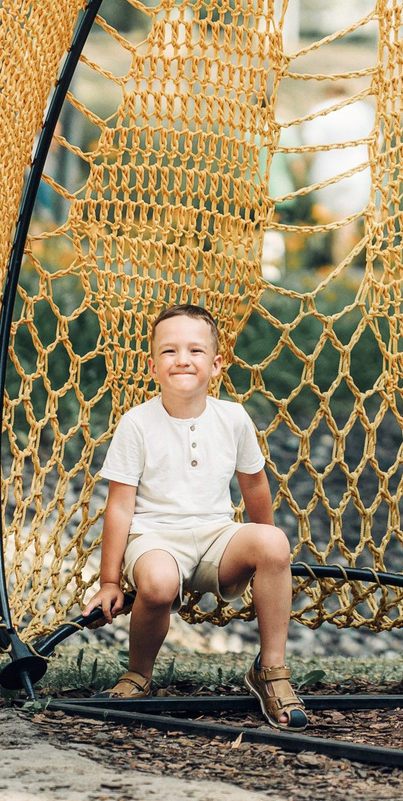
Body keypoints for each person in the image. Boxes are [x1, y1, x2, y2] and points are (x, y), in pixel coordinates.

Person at [87, 302, 308, 727]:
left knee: (274, 542)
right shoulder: (136, 423)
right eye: (169, 351)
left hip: (215, 538)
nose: (182, 360)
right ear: (152, 366)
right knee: (158, 584)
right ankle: (138, 673)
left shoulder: (233, 417)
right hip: (155, 540)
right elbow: (120, 505)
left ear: (216, 364)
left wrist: (268, 556)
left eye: (195, 351)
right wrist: (110, 582)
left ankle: (270, 671)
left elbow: (254, 485)